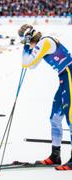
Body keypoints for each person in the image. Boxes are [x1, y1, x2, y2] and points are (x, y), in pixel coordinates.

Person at [18, 24, 72, 170]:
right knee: (55, 117)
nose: (26, 44)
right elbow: (31, 66)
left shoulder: (45, 42)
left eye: (25, 41)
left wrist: (26, 47)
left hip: (69, 74)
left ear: (29, 37)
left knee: (71, 118)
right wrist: (28, 47)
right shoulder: (41, 44)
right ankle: (55, 155)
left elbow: (26, 62)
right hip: (63, 77)